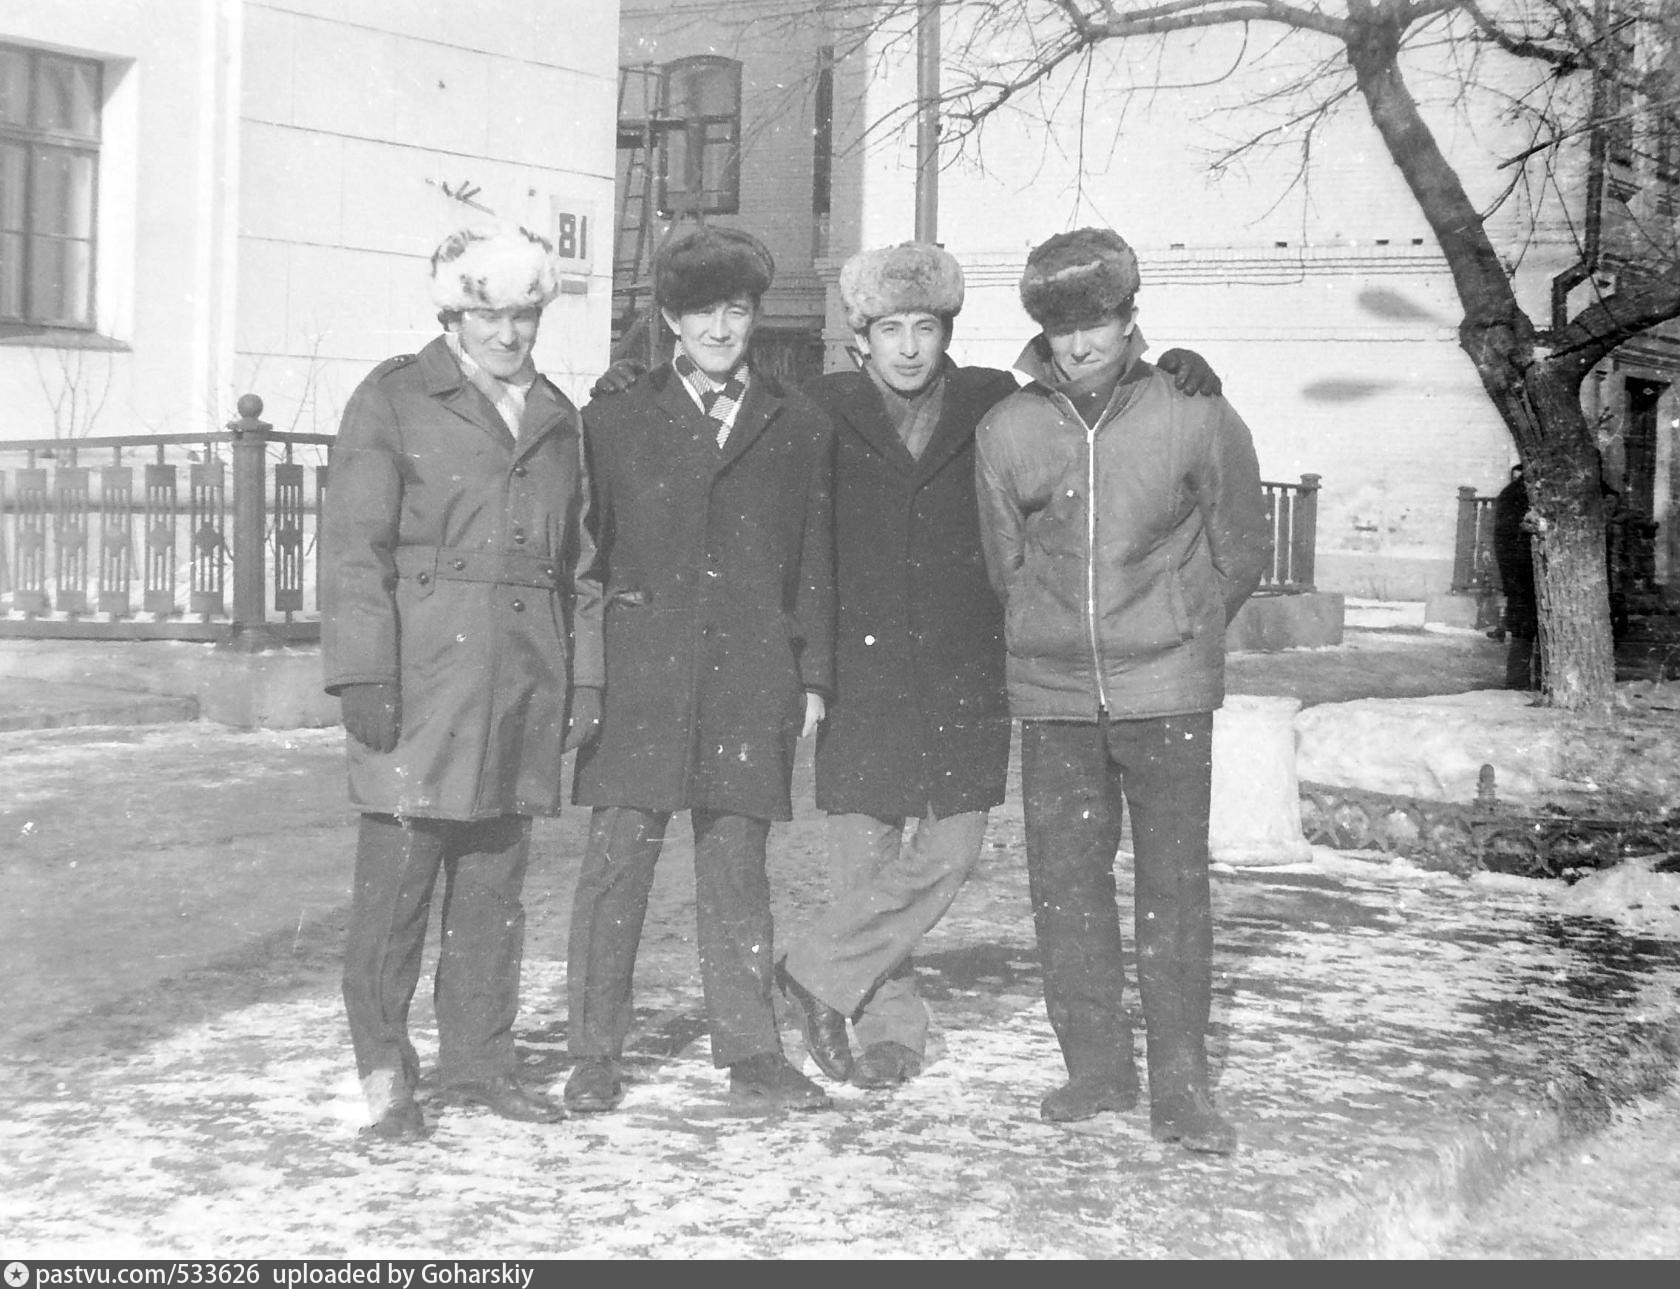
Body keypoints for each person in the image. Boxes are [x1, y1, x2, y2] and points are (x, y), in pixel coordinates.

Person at [772, 242, 1224, 1091]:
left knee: (953, 847)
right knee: (865, 861)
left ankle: (814, 970)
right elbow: (736, 426)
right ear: (860, 338)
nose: (910, 347)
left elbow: (1082, 393)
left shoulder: (989, 399)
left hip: (962, 666)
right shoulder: (818, 405)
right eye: (890, 329)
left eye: (926, 327)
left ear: (948, 330)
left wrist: (1180, 367)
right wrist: (626, 381)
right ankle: (888, 1028)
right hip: (860, 669)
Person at [973, 227, 1268, 1155]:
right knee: (1066, 889)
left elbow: (1241, 550)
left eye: (1097, 321)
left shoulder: (1193, 411)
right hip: (1056, 698)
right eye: (1062, 327)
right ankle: (1096, 1067)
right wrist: (1057, 636)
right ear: (1043, 331)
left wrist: (1178, 629)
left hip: (1167, 692)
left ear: (1129, 316)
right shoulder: (1008, 429)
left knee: (1173, 890)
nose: (1081, 344)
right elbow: (1005, 567)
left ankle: (1181, 1089)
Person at [322, 224, 604, 1141]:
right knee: (397, 894)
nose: (510, 333)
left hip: (522, 682)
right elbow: (354, 549)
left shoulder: (556, 415)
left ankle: (481, 1061)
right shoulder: (397, 398)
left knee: (493, 890)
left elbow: (583, 564)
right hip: (423, 682)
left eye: (526, 315)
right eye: (491, 316)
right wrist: (364, 671)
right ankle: (385, 1076)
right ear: (453, 314)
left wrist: (585, 682)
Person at [561, 225, 838, 1114]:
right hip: (641, 676)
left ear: (755, 316)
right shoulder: (613, 421)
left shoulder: (796, 425)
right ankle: (593, 1052)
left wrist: (814, 676)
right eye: (701, 311)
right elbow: (586, 560)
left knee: (737, 871)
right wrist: (591, 671)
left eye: (737, 309)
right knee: (616, 868)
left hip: (751, 676)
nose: (720, 328)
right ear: (671, 319)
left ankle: (752, 1054)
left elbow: (815, 559)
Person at [1492, 464, 1538, 691]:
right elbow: (1504, 540)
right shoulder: (1513, 496)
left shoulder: (1528, 494)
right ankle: (1517, 685)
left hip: (1528, 578)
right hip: (1522, 577)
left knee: (1533, 632)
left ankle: (1540, 684)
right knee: (1523, 633)